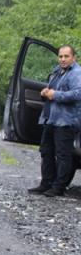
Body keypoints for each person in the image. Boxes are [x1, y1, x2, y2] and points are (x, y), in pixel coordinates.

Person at [27, 45, 81, 197]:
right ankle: (46, 184)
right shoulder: (57, 71)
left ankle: (59, 187)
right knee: (46, 152)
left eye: (66, 56)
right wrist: (45, 93)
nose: (62, 59)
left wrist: (55, 95)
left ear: (73, 57)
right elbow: (51, 91)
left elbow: (78, 94)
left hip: (66, 120)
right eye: (60, 56)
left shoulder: (77, 73)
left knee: (63, 155)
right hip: (51, 118)